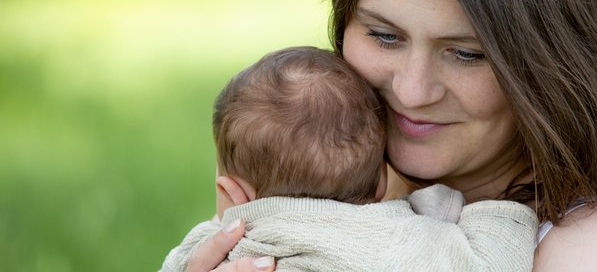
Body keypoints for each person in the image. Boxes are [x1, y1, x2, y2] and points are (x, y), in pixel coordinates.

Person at [181, 0, 597, 271]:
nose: (412, 93)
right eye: (384, 35)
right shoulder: (329, 212)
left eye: (467, 53)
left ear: (559, 64)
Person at [161, 46, 538, 271]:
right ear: (380, 182)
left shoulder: (218, 250)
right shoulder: (418, 235)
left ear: (231, 191)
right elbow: (496, 260)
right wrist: (498, 207)